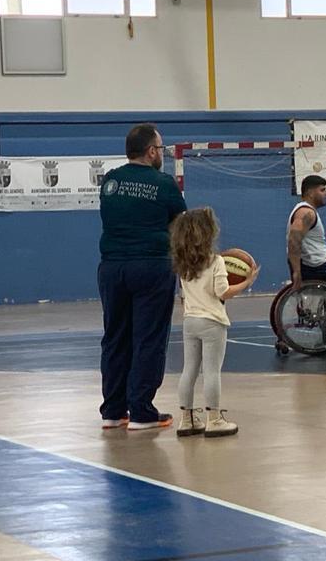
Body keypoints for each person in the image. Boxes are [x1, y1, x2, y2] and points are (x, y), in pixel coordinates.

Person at [97, 122, 187, 431]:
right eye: (160, 148)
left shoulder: (110, 181)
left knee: (115, 338)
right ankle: (141, 412)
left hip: (111, 268)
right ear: (151, 151)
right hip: (150, 266)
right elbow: (181, 222)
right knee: (148, 338)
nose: (161, 153)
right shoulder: (163, 183)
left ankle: (112, 410)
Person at [169, 207, 259, 439]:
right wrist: (247, 282)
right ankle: (214, 419)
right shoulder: (216, 261)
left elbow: (183, 296)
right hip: (212, 322)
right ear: (207, 233)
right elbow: (224, 292)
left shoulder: (182, 262)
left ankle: (186, 419)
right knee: (211, 371)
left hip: (190, 321)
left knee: (188, 370)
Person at [287, 174, 326, 287]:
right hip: (317, 268)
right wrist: (296, 271)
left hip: (320, 265)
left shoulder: (306, 211)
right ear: (310, 193)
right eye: (322, 190)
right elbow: (293, 240)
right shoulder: (306, 213)